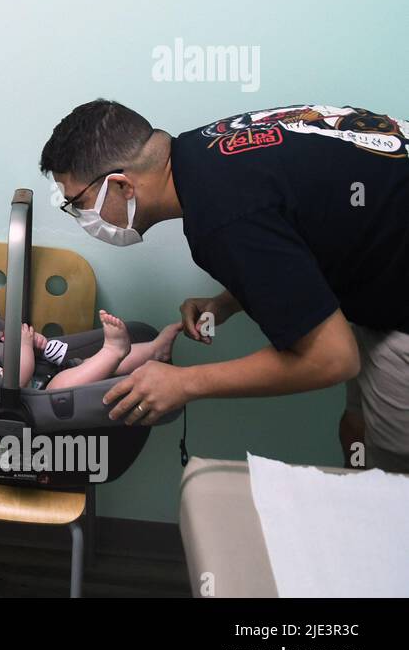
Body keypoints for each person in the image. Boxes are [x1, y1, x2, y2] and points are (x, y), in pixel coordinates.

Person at [39, 101, 409, 472]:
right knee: (358, 427)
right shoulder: (206, 151)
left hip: (396, 300)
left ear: (121, 185)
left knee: (391, 477)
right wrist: (230, 301)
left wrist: (185, 383)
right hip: (382, 270)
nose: (82, 218)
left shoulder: (220, 218)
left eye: (78, 204)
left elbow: (332, 358)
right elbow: (299, 224)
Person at [0, 280, 180, 389]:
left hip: (53, 366)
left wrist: (36, 341)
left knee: (92, 365)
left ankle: (155, 349)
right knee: (65, 383)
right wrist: (26, 347)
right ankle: (113, 350)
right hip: (43, 391)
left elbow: (21, 344)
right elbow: (15, 380)